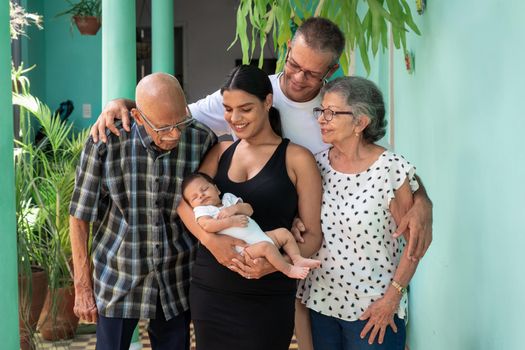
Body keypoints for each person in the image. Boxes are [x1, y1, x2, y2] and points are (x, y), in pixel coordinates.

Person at [89, 17, 433, 349]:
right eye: (294, 64)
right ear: (287, 51)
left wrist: (421, 199)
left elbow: (377, 161)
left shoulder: (331, 111)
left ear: (329, 72)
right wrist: (121, 103)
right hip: (220, 287)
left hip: (290, 276)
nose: (298, 77)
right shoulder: (240, 110)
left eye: (311, 73)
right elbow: (168, 115)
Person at [176, 64, 323, 349]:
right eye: (228, 109)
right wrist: (211, 241)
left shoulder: (297, 158)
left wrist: (271, 266)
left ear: (267, 102)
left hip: (267, 296)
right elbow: (183, 205)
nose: (234, 118)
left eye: (245, 109)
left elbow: (314, 236)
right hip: (210, 291)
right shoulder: (220, 152)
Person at [68, 73, 217, 350]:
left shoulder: (200, 139)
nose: (174, 135)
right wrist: (82, 287)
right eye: (163, 128)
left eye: (180, 123)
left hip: (176, 276)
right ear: (138, 117)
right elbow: (79, 216)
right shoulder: (105, 141)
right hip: (117, 276)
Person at [297, 76, 421, 349]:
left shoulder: (391, 169)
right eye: (321, 111)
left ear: (360, 122)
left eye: (331, 113)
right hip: (322, 303)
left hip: (373, 311)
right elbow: (308, 224)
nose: (321, 119)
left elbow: (414, 244)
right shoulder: (316, 165)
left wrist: (392, 299)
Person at [181, 172, 321, 279]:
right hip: (246, 249)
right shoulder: (203, 211)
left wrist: (234, 209)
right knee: (267, 248)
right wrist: (230, 222)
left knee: (284, 233)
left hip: (261, 236)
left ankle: (297, 258)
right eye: (194, 197)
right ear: (192, 206)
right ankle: (288, 270)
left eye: (204, 189)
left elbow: (249, 210)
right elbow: (207, 226)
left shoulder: (228, 198)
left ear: (217, 190)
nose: (201, 195)